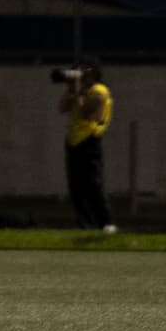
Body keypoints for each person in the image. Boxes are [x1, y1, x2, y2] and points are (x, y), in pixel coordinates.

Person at [58, 57, 116, 233]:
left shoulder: (100, 90)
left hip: (90, 141)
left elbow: (85, 111)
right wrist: (70, 88)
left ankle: (105, 223)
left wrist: (77, 90)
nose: (81, 75)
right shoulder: (80, 90)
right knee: (76, 187)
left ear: (95, 73)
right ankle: (85, 224)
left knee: (94, 184)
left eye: (84, 71)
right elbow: (62, 107)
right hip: (73, 141)